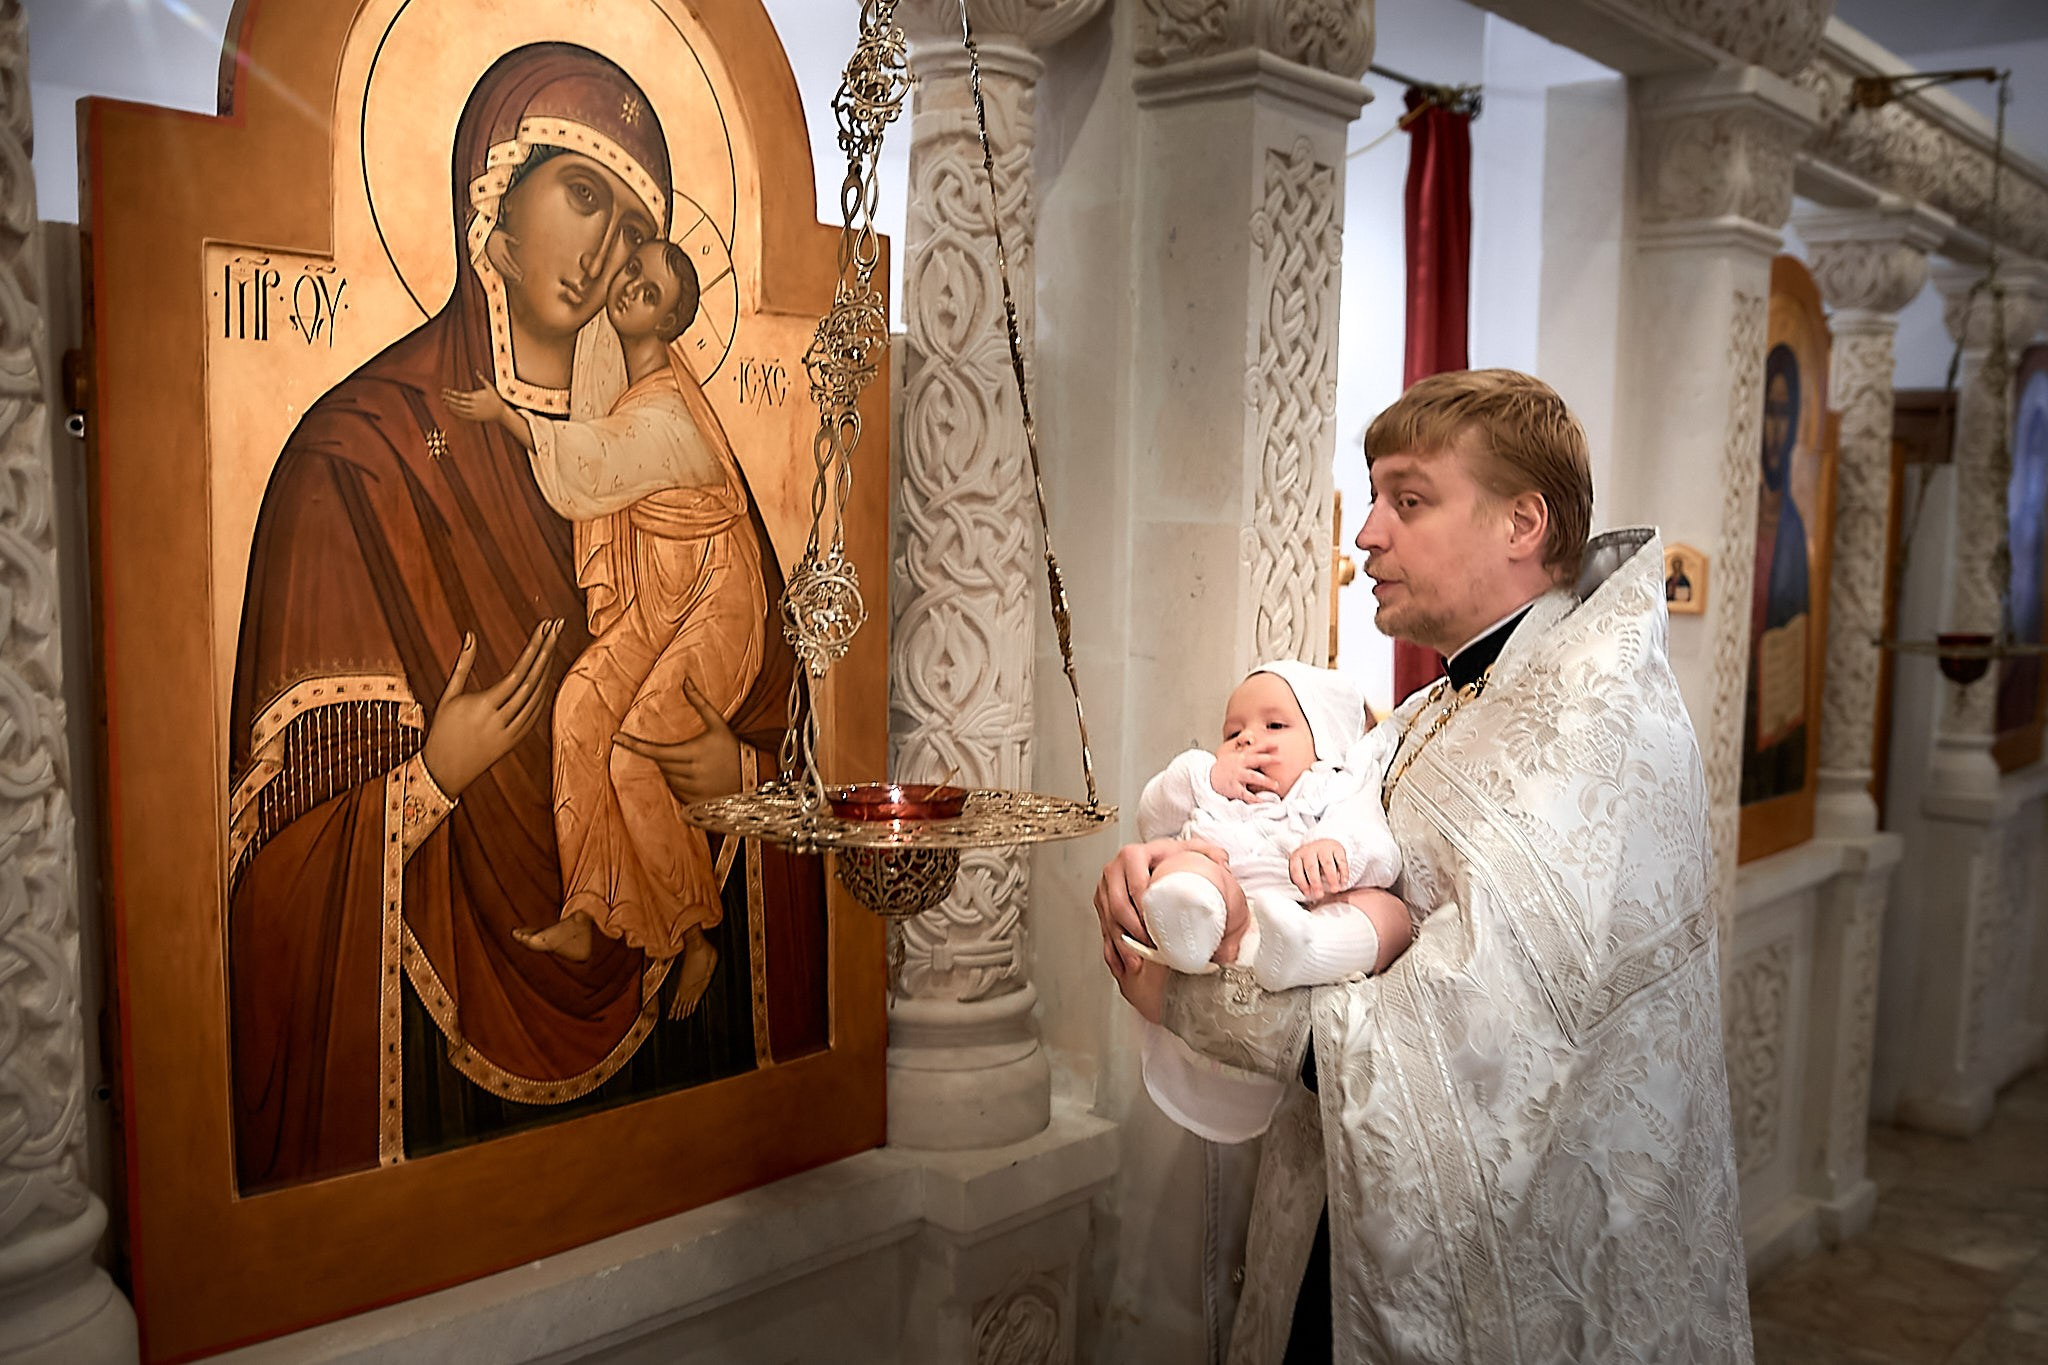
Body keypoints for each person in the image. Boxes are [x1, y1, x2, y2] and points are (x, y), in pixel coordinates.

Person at [225, 45, 820, 1194]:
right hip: (431, 1045)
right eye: (582, 196)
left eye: (634, 230)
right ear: (490, 208)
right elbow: (272, 864)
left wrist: (734, 765)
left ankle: (659, 924)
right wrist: (428, 780)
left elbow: (783, 725)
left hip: (694, 1104)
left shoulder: (671, 436)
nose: (607, 254)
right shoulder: (358, 457)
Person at [1094, 369, 1751, 1363]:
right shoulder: (1431, 711)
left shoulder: (1590, 733)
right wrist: (1183, 852)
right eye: (1371, 500)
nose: (1364, 535)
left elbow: (1485, 1046)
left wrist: (1188, 997)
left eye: (1407, 500)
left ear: (1520, 522)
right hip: (1360, 1206)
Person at [443, 240, 765, 1020]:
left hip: (713, 597)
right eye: (631, 272)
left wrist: (505, 417)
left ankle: (695, 938)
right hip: (664, 587)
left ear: (672, 317)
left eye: (647, 289)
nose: (628, 288)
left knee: (633, 755)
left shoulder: (663, 412)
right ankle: (588, 914)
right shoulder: (625, 374)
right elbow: (591, 406)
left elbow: (591, 457)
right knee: (581, 706)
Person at [1130, 659, 1412, 1147]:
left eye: (1275, 725)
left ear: (1325, 744)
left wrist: (1339, 850)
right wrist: (1200, 776)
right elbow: (1151, 816)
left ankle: (1313, 950)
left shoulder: (1336, 789)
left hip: (1297, 919)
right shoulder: (1208, 781)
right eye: (1233, 730)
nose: (1247, 739)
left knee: (1391, 915)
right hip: (1221, 916)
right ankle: (1187, 925)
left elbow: (1381, 851)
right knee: (1190, 866)